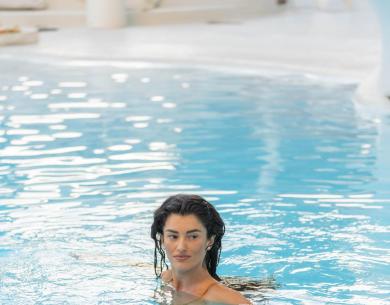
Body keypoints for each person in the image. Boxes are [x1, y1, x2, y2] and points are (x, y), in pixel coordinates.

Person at [151, 194, 251, 305]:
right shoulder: (166, 278)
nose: (181, 247)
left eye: (193, 236)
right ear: (162, 239)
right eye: (173, 236)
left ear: (210, 240)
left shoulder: (231, 301)